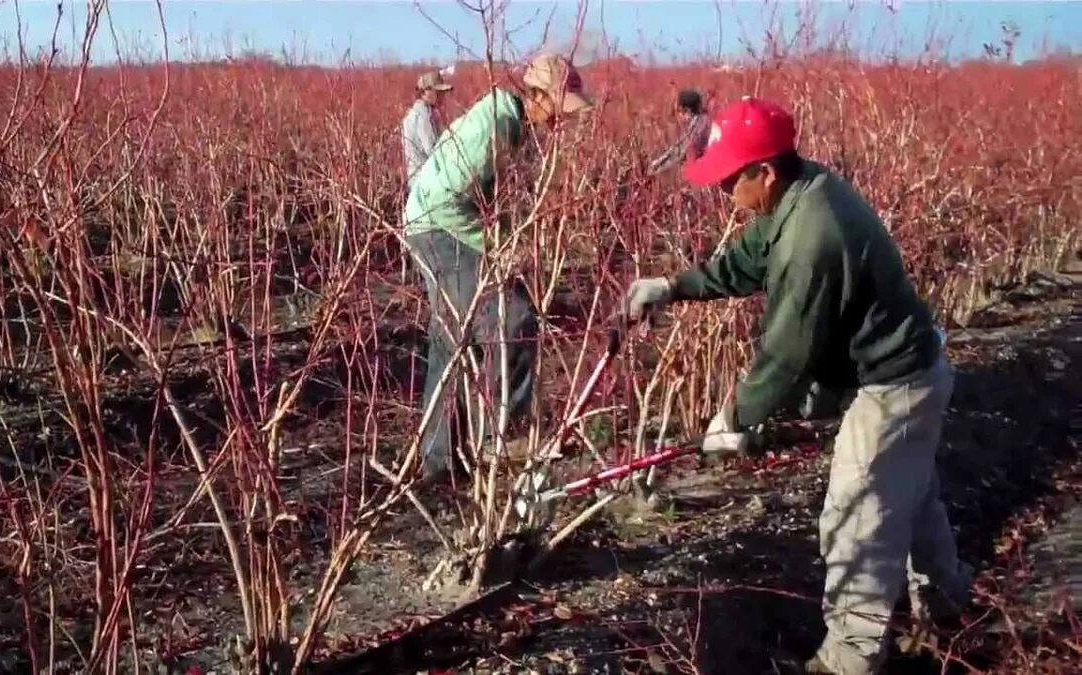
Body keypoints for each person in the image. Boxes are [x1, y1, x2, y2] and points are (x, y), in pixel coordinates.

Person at [621, 97, 974, 674]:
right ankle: (949, 603)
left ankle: (847, 660)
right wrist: (672, 285)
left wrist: (734, 420)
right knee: (910, 493)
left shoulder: (813, 235)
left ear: (764, 172)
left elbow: (786, 356)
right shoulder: (798, 193)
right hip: (908, 372)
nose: (721, 191)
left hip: (894, 385)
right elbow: (746, 261)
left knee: (856, 515)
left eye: (730, 179)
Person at [404, 53, 593, 482]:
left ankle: (439, 462)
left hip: (433, 225)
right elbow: (446, 199)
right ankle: (502, 436)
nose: (560, 120)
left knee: (452, 341)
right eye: (559, 106)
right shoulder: (497, 124)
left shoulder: (511, 122)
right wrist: (496, 246)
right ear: (539, 95)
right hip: (438, 227)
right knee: (515, 320)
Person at [401, 70, 454, 182]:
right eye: (438, 92)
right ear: (425, 92)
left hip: (418, 179)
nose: (442, 96)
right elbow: (432, 150)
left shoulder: (417, 113)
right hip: (424, 181)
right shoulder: (423, 116)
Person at [646, 88, 712, 176]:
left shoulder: (700, 127)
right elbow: (678, 147)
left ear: (687, 111)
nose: (679, 115)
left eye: (680, 111)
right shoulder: (702, 120)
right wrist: (659, 161)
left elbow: (682, 153)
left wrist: (657, 170)